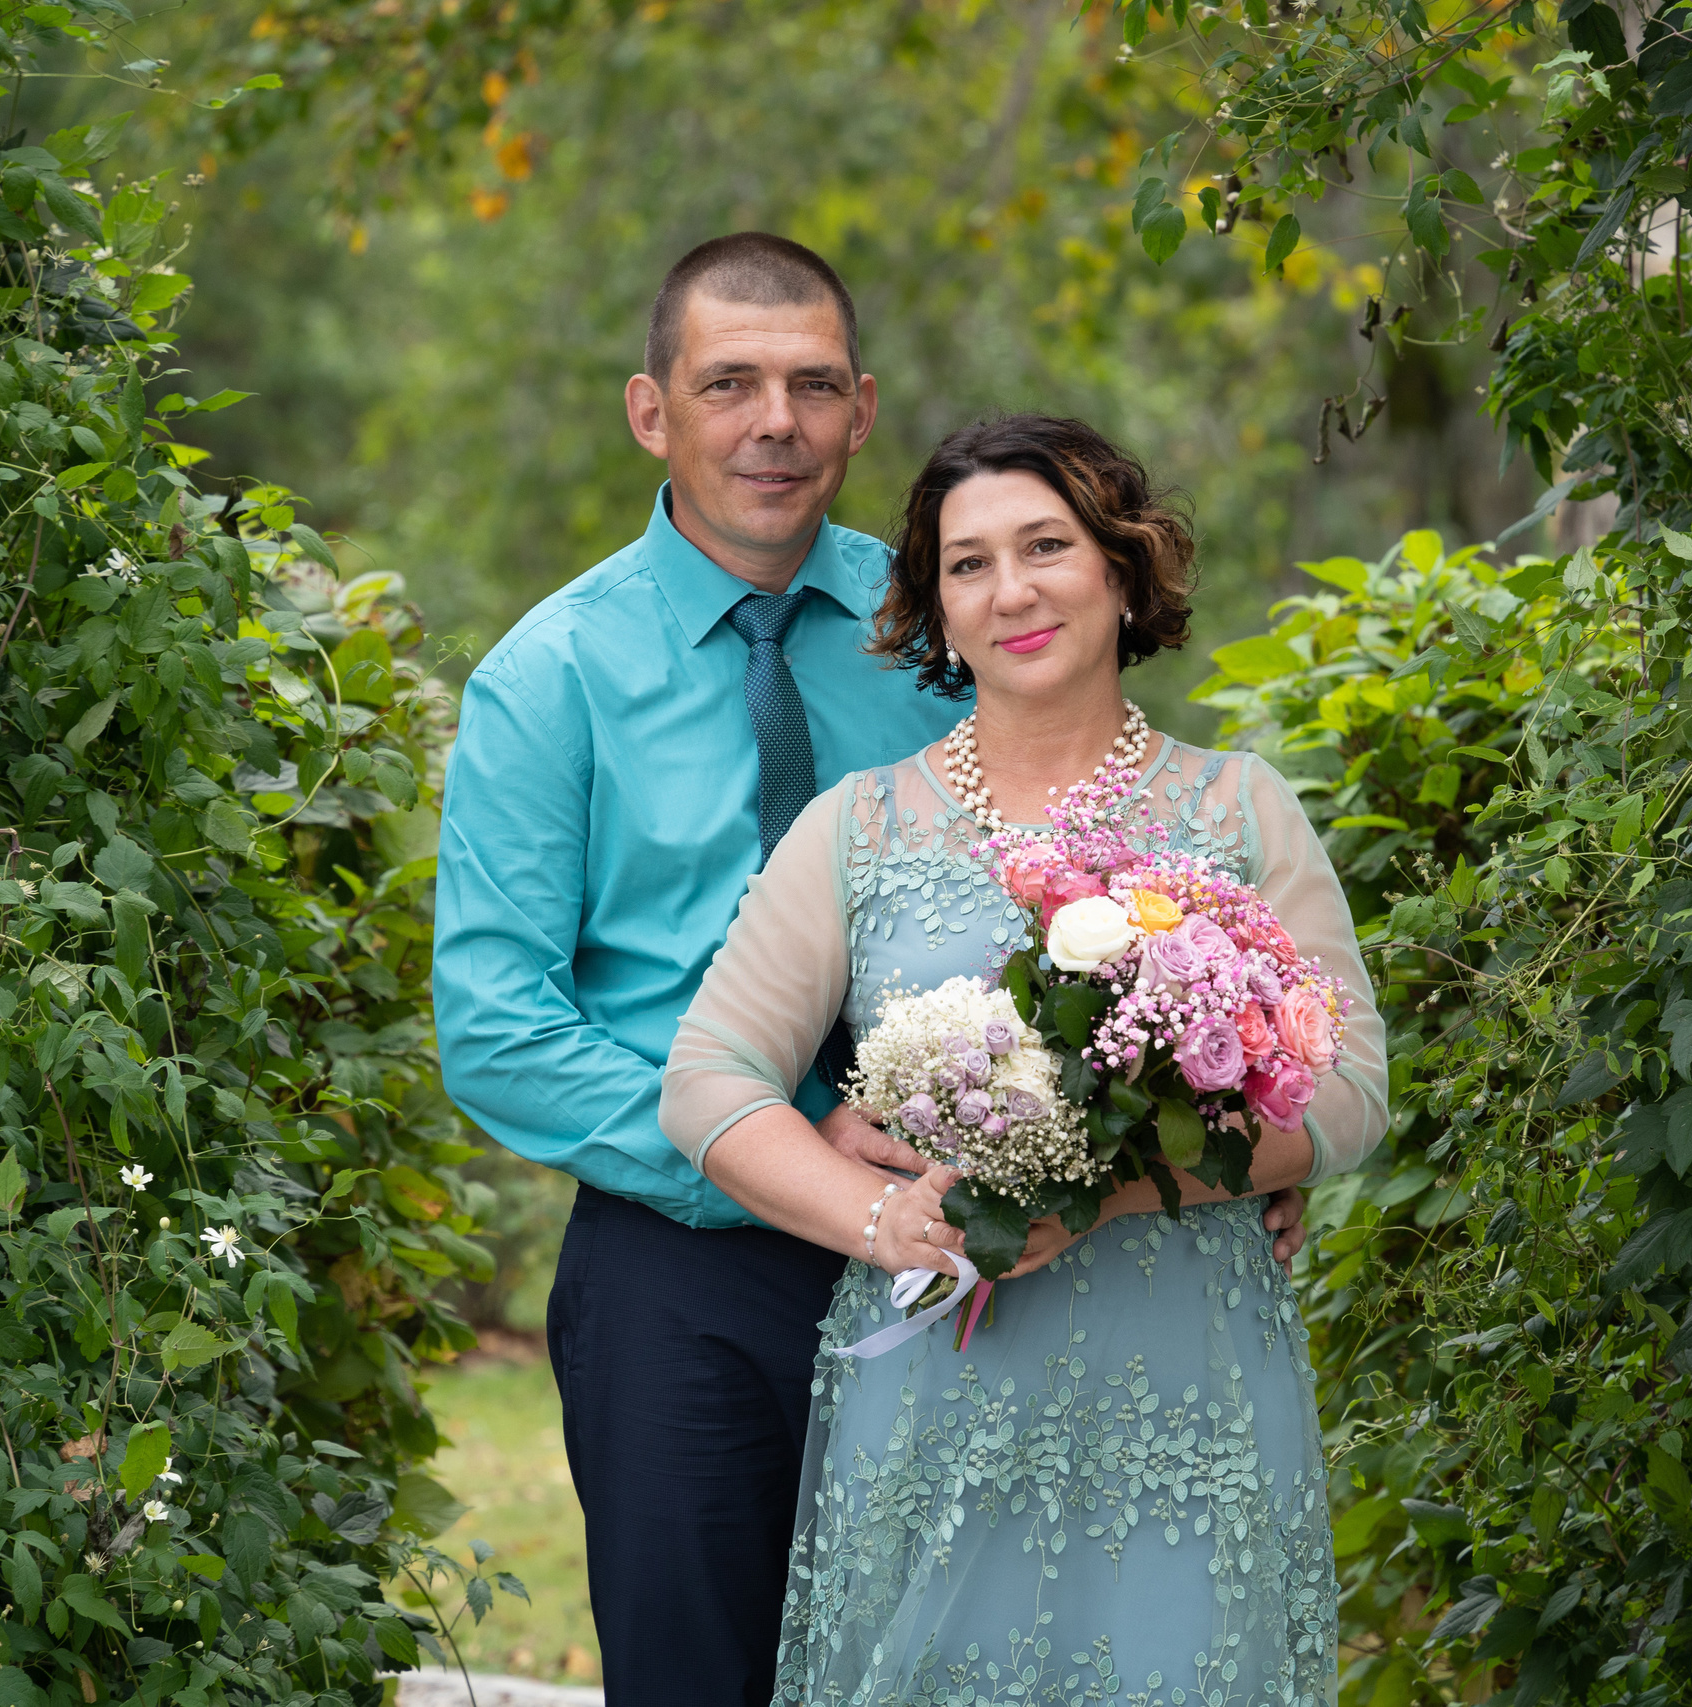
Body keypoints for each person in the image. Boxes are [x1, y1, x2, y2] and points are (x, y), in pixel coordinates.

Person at [433, 239, 1312, 1707]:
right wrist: (791, 1158)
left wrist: (1202, 1118)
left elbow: (1101, 856)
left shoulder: (948, 621)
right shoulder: (550, 676)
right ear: (652, 412)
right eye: (729, 384)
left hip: (996, 1256)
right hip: (686, 1270)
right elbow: (500, 1033)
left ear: (863, 410)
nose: (775, 422)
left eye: (814, 386)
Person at [659, 414, 1390, 1706]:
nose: (1012, 591)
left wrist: (1123, 1187)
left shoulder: (1239, 808)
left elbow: (1347, 1088)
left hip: (1188, 1378)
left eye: (1047, 546)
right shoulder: (857, 828)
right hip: (940, 1375)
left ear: (1122, 568)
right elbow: (709, 1083)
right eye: (968, 564)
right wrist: (885, 1220)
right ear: (937, 611)